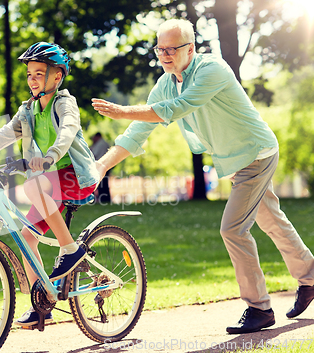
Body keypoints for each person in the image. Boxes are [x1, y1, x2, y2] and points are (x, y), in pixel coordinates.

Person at [92, 18, 314, 334]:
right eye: (160, 48)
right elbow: (137, 132)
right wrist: (102, 166)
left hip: (256, 153)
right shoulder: (166, 83)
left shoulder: (213, 70)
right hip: (238, 162)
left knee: (233, 229)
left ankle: (259, 308)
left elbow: (180, 107)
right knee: (272, 222)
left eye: (172, 48)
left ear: (191, 48)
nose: (165, 54)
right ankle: (310, 276)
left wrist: (123, 109)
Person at [0, 42, 99, 327]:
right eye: (29, 74)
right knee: (27, 236)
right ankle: (42, 301)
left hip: (75, 175)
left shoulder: (64, 102)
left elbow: (67, 132)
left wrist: (49, 157)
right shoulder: (29, 111)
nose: (33, 79)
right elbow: (4, 135)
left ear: (57, 76)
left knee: (32, 187)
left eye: (39, 73)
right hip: (49, 182)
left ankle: (71, 249)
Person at [90, 132, 112, 203]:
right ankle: (105, 199)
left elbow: (93, 154)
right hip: (105, 165)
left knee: (102, 185)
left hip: (101, 166)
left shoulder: (100, 144)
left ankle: (104, 199)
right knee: (104, 184)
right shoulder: (103, 143)